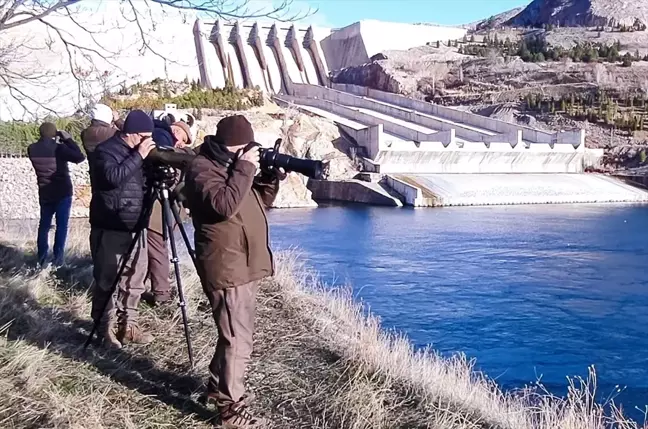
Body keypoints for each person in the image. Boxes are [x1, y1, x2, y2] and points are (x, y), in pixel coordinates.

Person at [184, 114, 285, 428]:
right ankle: (231, 411)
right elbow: (223, 205)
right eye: (246, 149)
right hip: (225, 265)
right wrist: (245, 168)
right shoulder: (201, 168)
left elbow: (259, 202)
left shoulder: (232, 166)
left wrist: (268, 177)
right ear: (232, 147)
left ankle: (217, 387)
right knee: (238, 340)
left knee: (233, 334)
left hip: (243, 263)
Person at [89, 109, 156, 349]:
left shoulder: (139, 153)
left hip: (136, 225)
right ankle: (103, 329)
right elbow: (111, 177)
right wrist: (139, 155)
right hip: (110, 225)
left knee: (135, 280)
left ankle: (128, 326)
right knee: (106, 280)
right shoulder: (105, 151)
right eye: (145, 136)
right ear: (132, 134)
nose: (149, 142)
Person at [142, 118, 194, 307]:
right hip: (165, 212)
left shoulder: (178, 156)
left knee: (157, 251)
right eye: (175, 131)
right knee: (154, 250)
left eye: (180, 134)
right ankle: (151, 287)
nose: (176, 134)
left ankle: (161, 293)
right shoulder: (167, 150)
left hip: (160, 212)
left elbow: (178, 186)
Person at [27, 122, 86, 267]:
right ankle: (58, 259)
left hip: (45, 191)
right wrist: (68, 140)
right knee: (61, 226)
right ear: (54, 134)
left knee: (44, 225)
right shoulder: (59, 149)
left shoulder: (32, 148)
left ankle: (41, 259)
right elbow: (79, 157)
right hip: (62, 192)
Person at [80, 103, 119, 191]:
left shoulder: (85, 133)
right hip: (112, 176)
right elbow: (131, 133)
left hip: (95, 176)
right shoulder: (113, 133)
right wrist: (118, 120)